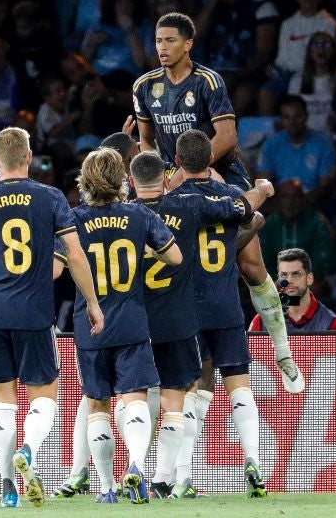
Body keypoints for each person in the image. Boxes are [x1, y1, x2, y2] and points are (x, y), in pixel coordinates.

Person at [134, 11, 305, 394]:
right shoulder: (144, 86)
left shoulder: (208, 81)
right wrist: (165, 175)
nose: (162, 48)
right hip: (171, 178)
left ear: (188, 44)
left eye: (170, 41)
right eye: (158, 41)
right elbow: (146, 141)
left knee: (250, 264)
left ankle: (282, 350)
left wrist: (191, 171)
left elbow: (226, 136)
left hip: (221, 174)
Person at [0, 126, 103, 508]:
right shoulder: (49, 198)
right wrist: (93, 302)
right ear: (29, 158)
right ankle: (29, 449)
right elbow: (76, 256)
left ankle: (6, 486)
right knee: (45, 394)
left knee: (2, 400)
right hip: (35, 312)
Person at [132, 147, 274, 499]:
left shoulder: (174, 203)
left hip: (188, 308)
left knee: (187, 392)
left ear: (177, 162)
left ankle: (182, 476)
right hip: (226, 304)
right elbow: (247, 218)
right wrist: (261, 195)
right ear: (210, 158)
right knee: (240, 385)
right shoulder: (231, 196)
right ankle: (254, 459)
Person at [69, 148, 182, 504]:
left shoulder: (72, 219)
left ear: (85, 181)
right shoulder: (139, 214)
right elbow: (175, 257)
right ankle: (135, 466)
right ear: (122, 180)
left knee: (98, 405)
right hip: (132, 320)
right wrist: (142, 251)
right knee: (134, 400)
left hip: (89, 324)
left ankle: (105, 487)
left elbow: (60, 267)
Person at [257, 94, 336, 203]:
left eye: (297, 116)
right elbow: (264, 182)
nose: (292, 122)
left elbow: (324, 187)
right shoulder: (271, 144)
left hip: (312, 203)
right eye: (287, 117)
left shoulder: (324, 144)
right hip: (281, 203)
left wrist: (298, 203)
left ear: (306, 116)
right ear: (281, 119)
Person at [251, 248, 336, 332]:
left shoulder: (332, 324)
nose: (289, 281)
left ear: (309, 279)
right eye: (284, 275)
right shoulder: (261, 322)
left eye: (296, 274)